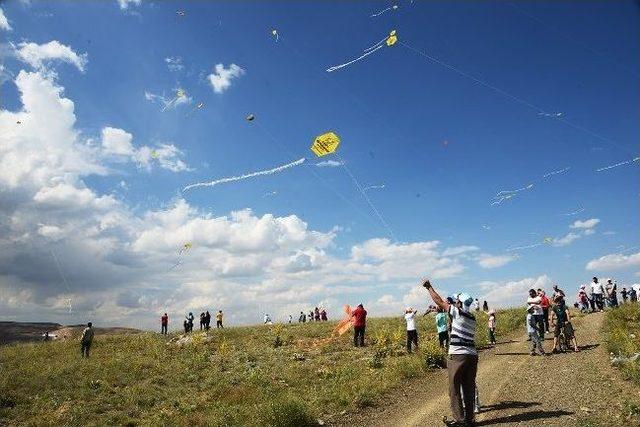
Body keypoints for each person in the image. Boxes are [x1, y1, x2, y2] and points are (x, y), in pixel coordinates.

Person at [422, 279, 478, 427]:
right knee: (468, 388)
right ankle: (470, 419)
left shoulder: (457, 312)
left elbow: (439, 301)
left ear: (459, 304)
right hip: (472, 355)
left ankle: (459, 421)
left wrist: (429, 287)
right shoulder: (472, 317)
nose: (455, 302)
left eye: (457, 301)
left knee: (454, 388)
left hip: (458, 355)